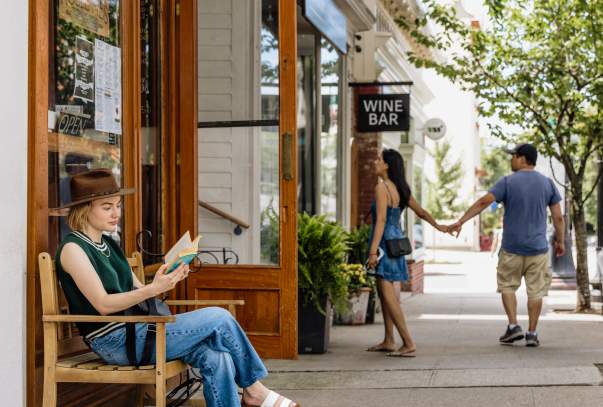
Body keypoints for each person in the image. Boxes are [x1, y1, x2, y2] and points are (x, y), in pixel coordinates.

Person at [55, 168, 298, 407]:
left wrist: (166, 279)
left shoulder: (108, 244)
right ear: (84, 210)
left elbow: (138, 292)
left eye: (118, 205)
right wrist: (152, 290)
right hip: (115, 341)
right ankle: (255, 390)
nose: (116, 213)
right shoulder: (73, 249)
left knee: (218, 357)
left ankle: (249, 395)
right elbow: (103, 304)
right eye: (107, 207)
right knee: (220, 317)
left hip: (140, 331)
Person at [449, 143, 565, 347]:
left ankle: (513, 326)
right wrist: (561, 241)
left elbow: (483, 203)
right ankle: (532, 333)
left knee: (507, 286)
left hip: (511, 248)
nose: (511, 160)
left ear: (522, 159)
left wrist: (461, 221)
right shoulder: (547, 184)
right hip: (538, 249)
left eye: (513, 156)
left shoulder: (507, 182)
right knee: (536, 292)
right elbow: (558, 217)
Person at [366, 149, 449, 357]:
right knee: (385, 293)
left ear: (387, 166)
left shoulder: (382, 188)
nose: (375, 162)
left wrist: (373, 251)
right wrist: (439, 226)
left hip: (385, 242)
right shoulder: (401, 188)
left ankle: (408, 342)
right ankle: (389, 340)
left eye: (379, 160)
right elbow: (421, 212)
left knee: (388, 294)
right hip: (397, 240)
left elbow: (381, 220)